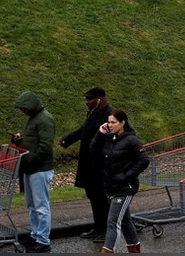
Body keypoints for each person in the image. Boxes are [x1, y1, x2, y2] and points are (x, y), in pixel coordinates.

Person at [90, 109, 149, 253]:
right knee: (126, 221)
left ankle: (108, 251)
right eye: (108, 122)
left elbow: (144, 160)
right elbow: (93, 150)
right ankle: (135, 250)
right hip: (111, 187)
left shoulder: (131, 140)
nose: (110, 125)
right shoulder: (109, 138)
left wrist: (126, 175)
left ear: (122, 123)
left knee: (113, 222)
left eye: (113, 122)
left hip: (125, 188)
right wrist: (100, 133)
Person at [58, 87, 113, 243]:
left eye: (90, 99)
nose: (87, 102)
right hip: (88, 163)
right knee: (92, 196)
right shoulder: (93, 114)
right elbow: (84, 130)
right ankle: (98, 227)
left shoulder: (109, 115)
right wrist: (67, 139)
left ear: (100, 99)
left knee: (101, 198)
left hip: (100, 164)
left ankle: (106, 231)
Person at [11, 91, 55, 253]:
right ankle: (36, 235)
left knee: (41, 206)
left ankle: (43, 241)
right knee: (32, 205)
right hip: (31, 168)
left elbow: (45, 146)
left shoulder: (45, 119)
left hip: (39, 169)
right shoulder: (34, 117)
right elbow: (33, 142)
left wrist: (30, 160)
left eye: (24, 108)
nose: (23, 112)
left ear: (31, 105)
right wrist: (18, 141)